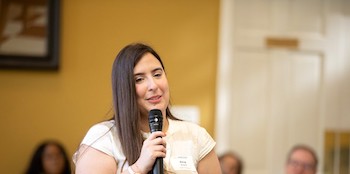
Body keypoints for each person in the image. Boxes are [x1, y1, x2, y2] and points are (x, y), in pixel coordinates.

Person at [73, 43, 221, 174]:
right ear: (124, 89)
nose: (153, 86)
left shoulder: (195, 136)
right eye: (139, 79)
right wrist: (138, 168)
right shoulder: (103, 138)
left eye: (157, 74)